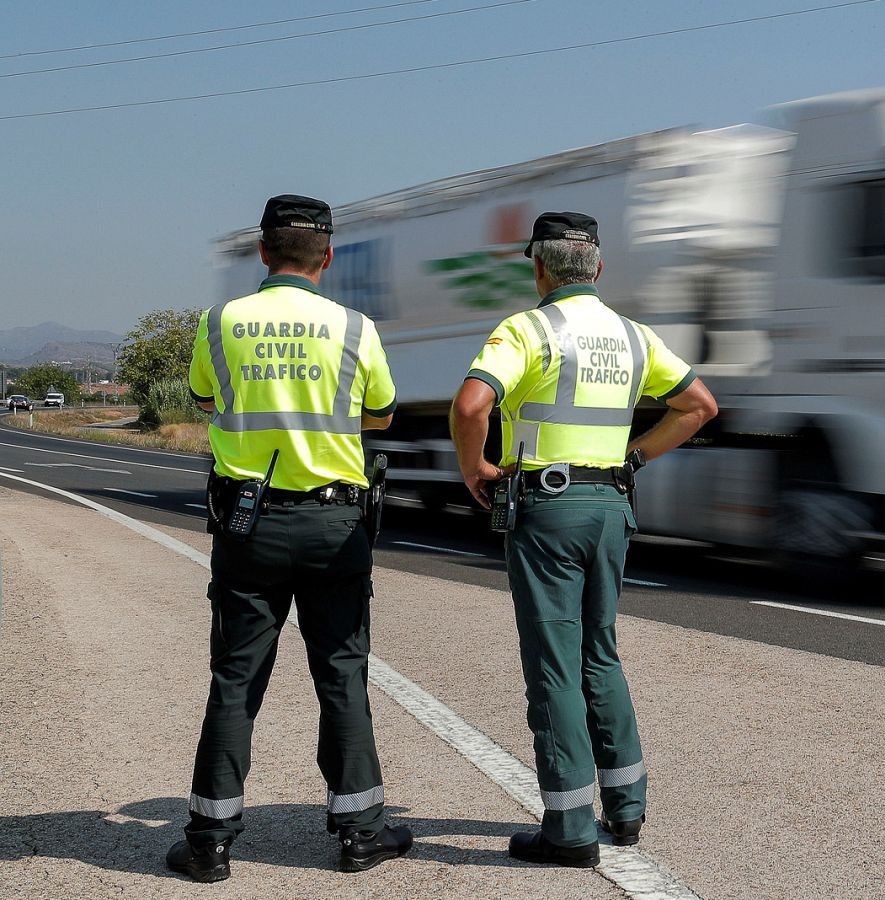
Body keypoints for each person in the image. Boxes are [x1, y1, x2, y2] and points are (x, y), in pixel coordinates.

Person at [450, 212, 717, 867]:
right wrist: (635, 457)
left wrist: (475, 469)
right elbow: (700, 406)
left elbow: (469, 406)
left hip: (548, 507)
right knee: (600, 653)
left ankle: (568, 829)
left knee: (554, 665)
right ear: (597, 268)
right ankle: (625, 812)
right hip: (610, 507)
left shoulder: (527, 330)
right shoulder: (632, 338)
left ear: (537, 267)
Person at [169, 194, 412, 882]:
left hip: (249, 525)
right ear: (327, 258)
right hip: (336, 526)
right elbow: (383, 415)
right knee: (341, 674)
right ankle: (361, 833)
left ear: (263, 252)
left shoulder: (221, 322)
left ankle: (210, 842)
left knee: (236, 678)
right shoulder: (356, 328)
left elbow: (206, 398)